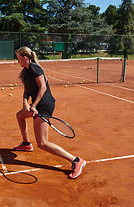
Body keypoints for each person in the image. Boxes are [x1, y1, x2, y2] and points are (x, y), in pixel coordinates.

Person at [13, 46, 86, 179]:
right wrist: (25, 102)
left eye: (18, 58)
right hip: (37, 105)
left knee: (43, 143)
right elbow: (27, 90)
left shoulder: (35, 68)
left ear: (24, 57)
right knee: (20, 116)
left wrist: (33, 105)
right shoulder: (26, 71)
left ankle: (76, 160)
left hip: (44, 105)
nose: (17, 61)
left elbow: (43, 87)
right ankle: (26, 144)